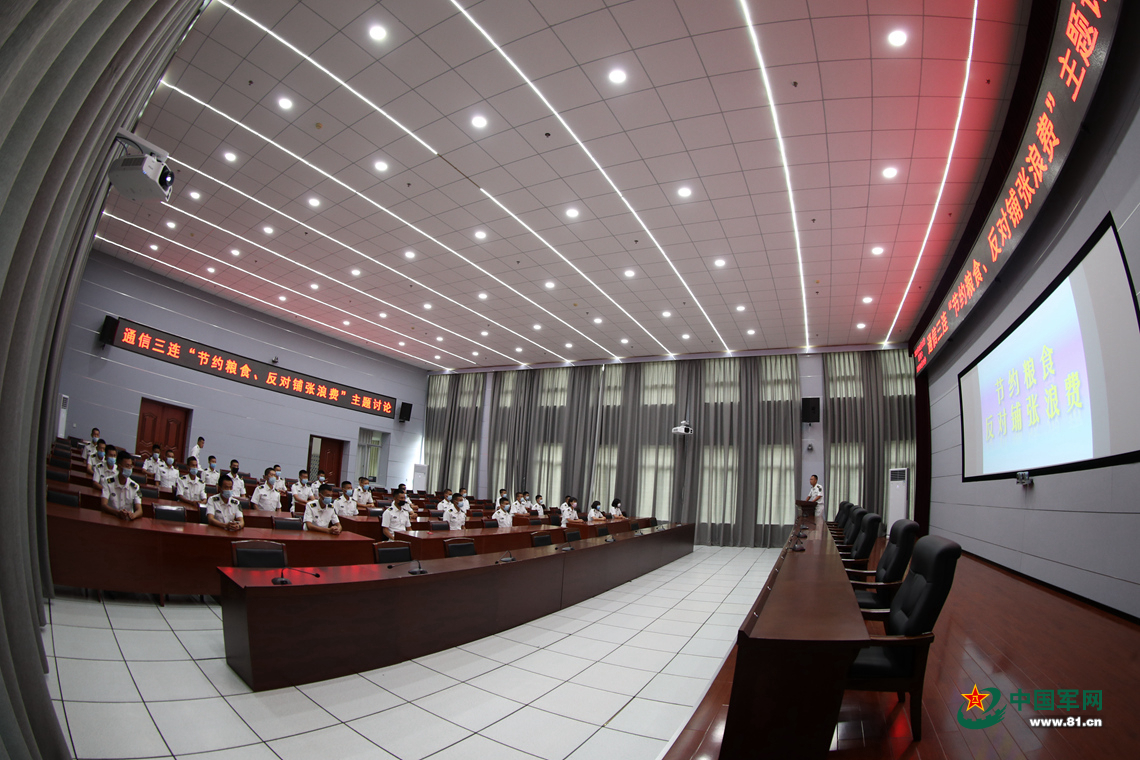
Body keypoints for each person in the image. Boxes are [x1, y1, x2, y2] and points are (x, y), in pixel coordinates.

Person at [100, 451, 142, 521]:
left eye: (130, 466)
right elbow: (103, 505)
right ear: (119, 466)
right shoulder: (108, 482)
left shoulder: (135, 486)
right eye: (127, 466)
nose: (129, 468)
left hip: (127, 521)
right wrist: (117, 513)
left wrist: (133, 515)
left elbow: (140, 510)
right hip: (111, 519)